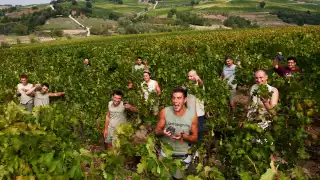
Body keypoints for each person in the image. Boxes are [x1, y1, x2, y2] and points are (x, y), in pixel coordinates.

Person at [155, 86, 198, 179]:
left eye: (179, 98)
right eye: (174, 98)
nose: (175, 101)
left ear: (185, 100)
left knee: (177, 178)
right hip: (165, 154)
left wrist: (184, 136)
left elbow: (195, 138)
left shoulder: (192, 116)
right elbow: (156, 132)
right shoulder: (164, 112)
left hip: (181, 156)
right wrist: (163, 132)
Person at [186, 70, 205, 143]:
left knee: (200, 130)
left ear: (195, 76)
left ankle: (200, 147)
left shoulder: (199, 85)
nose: (189, 78)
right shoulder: (189, 86)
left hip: (199, 112)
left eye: (191, 76)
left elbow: (201, 84)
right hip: (190, 113)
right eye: (188, 76)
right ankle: (192, 146)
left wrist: (199, 79)